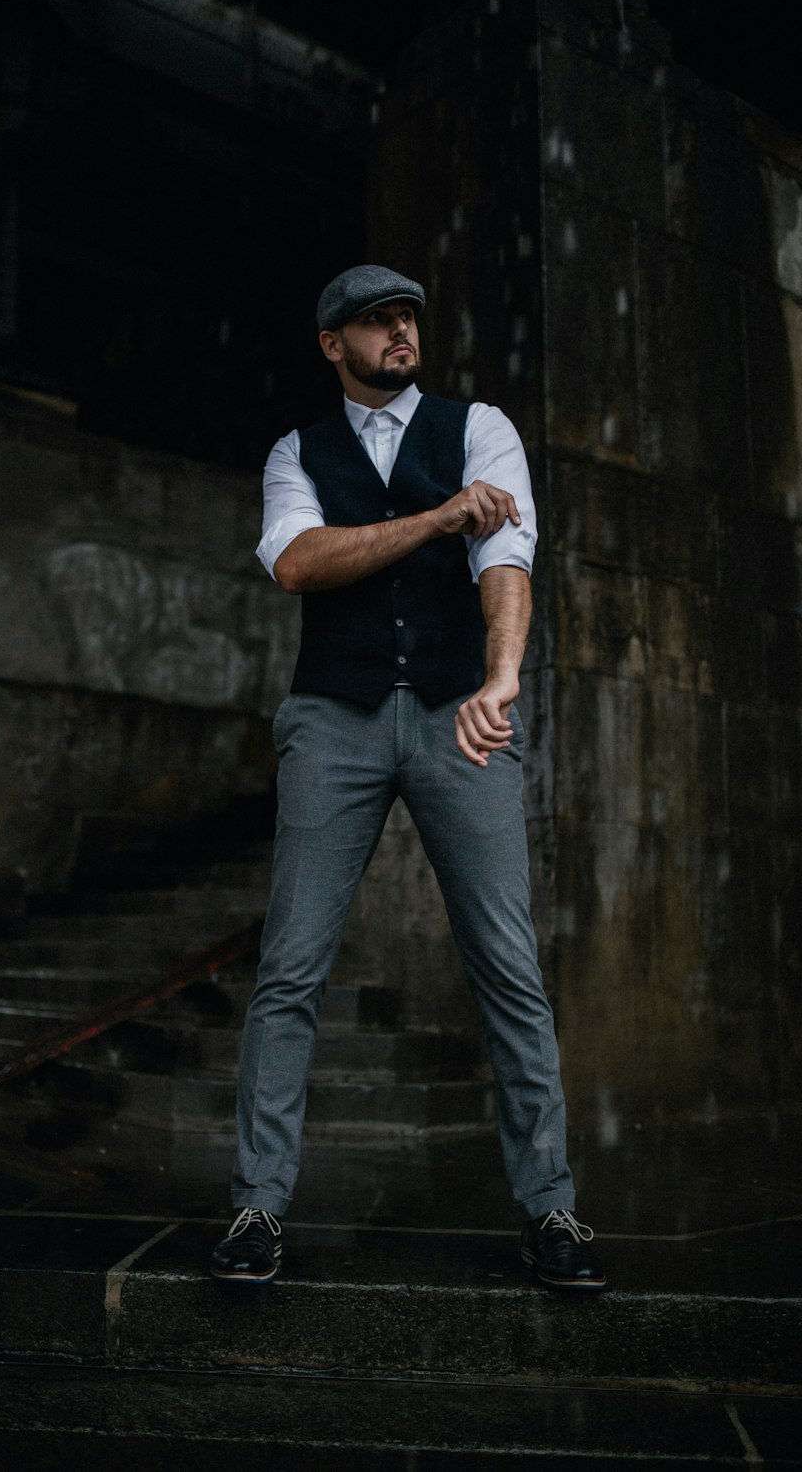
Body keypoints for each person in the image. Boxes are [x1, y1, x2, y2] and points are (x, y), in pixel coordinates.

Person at [210, 264, 605, 1292]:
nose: (401, 328)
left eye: (410, 315)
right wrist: (437, 518)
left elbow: (507, 559)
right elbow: (298, 562)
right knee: (288, 969)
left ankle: (551, 1208)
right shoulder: (295, 453)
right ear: (331, 342)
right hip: (330, 720)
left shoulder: (480, 427)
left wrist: (503, 679)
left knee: (507, 966)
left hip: (454, 717)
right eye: (376, 318)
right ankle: (257, 1205)